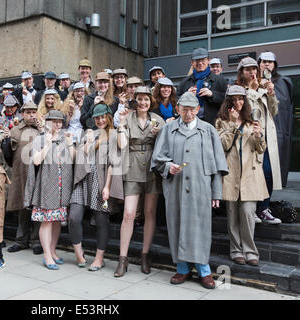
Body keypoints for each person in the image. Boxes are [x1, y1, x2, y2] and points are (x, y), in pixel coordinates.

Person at [151, 92, 228, 290]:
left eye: (192, 109)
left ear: (198, 110)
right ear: (178, 110)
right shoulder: (168, 129)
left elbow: (218, 166)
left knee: (201, 229)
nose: (188, 113)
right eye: (184, 109)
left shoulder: (208, 130)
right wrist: (169, 166)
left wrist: (216, 193)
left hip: (201, 188)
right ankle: (182, 268)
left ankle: (204, 270)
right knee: (176, 226)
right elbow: (158, 159)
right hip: (175, 187)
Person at [114, 86, 165, 277]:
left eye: (146, 99)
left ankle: (145, 255)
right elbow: (121, 144)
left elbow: (164, 144)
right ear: (135, 100)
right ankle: (122, 258)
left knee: (150, 212)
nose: (143, 103)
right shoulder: (127, 118)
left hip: (152, 168)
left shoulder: (157, 120)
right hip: (132, 166)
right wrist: (121, 123)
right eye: (140, 99)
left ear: (151, 101)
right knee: (128, 214)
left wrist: (159, 133)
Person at [215, 85, 268, 266]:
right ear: (228, 101)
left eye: (240, 99)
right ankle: (236, 250)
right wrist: (231, 123)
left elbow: (260, 148)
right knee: (232, 215)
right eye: (234, 99)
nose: (237, 102)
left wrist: (259, 134)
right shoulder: (221, 121)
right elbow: (222, 145)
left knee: (247, 212)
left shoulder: (251, 120)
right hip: (230, 173)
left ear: (244, 100)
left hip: (250, 174)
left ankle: (250, 251)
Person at [70, 104, 123, 271]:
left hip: (100, 180)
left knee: (101, 220)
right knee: (74, 217)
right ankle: (79, 253)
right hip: (83, 178)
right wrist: (91, 142)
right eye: (97, 118)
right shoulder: (88, 133)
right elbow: (80, 154)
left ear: (108, 117)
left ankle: (99, 258)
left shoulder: (113, 135)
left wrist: (107, 187)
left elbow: (112, 164)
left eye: (103, 117)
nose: (100, 120)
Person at [24, 110, 75, 270]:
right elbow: (37, 161)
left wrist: (70, 143)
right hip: (47, 185)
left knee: (57, 220)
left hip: (62, 185)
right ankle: (46, 255)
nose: (57, 125)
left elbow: (74, 159)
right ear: (48, 123)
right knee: (46, 221)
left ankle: (53, 251)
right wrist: (47, 144)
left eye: (60, 122)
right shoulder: (40, 139)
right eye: (54, 121)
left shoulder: (64, 138)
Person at [235, 57, 281, 224]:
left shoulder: (262, 86)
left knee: (268, 173)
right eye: (248, 69)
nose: (252, 72)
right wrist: (253, 91)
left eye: (254, 69)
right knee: (253, 174)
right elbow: (247, 112)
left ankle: (264, 208)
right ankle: (253, 209)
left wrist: (271, 93)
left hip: (265, 137)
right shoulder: (238, 90)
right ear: (242, 72)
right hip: (249, 138)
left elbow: (274, 111)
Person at [3, 101, 43, 255]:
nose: (32, 115)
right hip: (21, 174)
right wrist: (5, 142)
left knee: (38, 208)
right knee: (22, 208)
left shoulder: (42, 129)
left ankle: (36, 241)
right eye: (28, 112)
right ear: (22, 114)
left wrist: (43, 131)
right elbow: (8, 155)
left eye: (34, 112)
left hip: (39, 174)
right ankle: (21, 240)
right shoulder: (16, 130)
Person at [258, 51, 294, 187]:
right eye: (263, 61)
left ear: (274, 64)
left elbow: (284, 106)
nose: (266, 64)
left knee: (270, 170)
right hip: (257, 131)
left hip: (275, 131)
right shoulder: (253, 82)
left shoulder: (283, 82)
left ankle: (265, 205)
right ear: (259, 64)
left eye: (270, 62)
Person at [177, 48, 228, 125]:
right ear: (192, 63)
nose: (200, 63)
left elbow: (227, 100)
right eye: (197, 60)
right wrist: (186, 95)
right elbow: (175, 100)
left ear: (208, 60)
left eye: (203, 60)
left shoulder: (219, 80)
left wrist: (212, 94)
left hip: (213, 123)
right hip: (190, 122)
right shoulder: (185, 82)